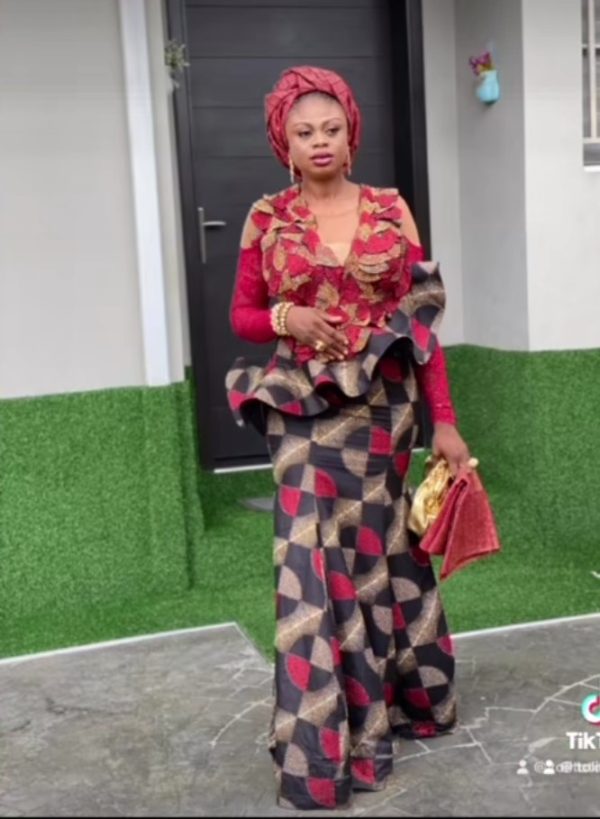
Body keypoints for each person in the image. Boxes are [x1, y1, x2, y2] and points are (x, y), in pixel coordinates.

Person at [225, 66, 471, 811]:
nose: (320, 141)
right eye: (304, 132)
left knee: (378, 555)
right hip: (301, 409)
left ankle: (391, 701)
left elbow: (421, 325)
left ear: (351, 132)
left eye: (331, 128)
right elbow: (242, 314)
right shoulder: (266, 218)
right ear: (285, 144)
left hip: (384, 413)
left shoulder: (392, 210)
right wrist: (286, 318)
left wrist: (444, 420)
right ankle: (321, 741)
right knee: (307, 559)